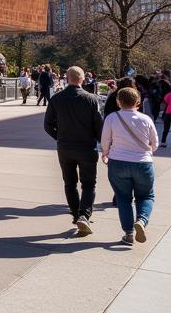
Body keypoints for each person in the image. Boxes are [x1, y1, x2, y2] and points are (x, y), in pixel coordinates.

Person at [44, 66, 103, 235]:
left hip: (65, 148)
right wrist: (104, 144)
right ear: (82, 79)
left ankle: (76, 214)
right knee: (89, 184)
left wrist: (59, 138)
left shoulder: (57, 99)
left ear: (67, 78)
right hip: (86, 147)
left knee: (70, 183)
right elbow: (99, 126)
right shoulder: (92, 99)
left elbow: (47, 125)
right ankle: (84, 215)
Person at [101, 85, 157, 245]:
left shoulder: (111, 118)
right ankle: (142, 220)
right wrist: (147, 151)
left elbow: (105, 140)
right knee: (146, 196)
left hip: (118, 162)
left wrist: (105, 153)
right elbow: (155, 144)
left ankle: (129, 233)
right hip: (143, 163)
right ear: (138, 101)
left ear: (118, 102)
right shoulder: (146, 119)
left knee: (123, 198)